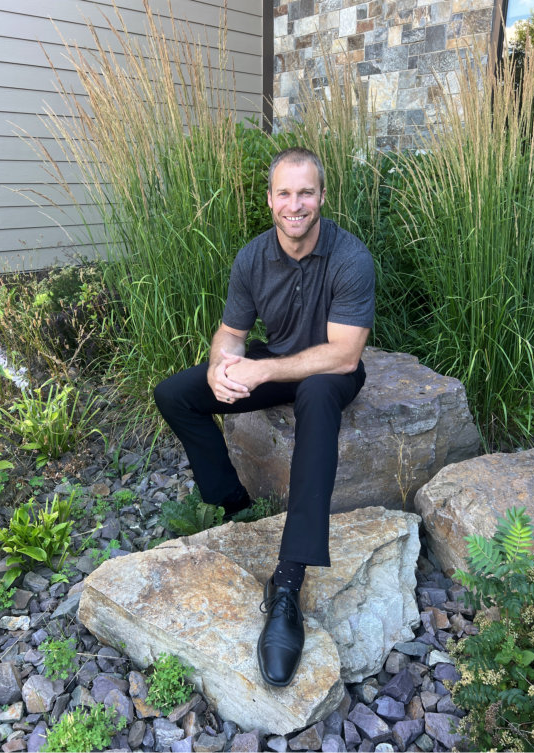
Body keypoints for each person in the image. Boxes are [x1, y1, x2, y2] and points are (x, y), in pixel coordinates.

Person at [154, 147, 375, 687]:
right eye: (284, 193)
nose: (294, 205)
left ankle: (287, 585)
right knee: (174, 393)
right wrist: (220, 367)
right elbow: (231, 333)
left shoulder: (350, 257)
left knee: (318, 395)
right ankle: (235, 506)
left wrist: (263, 372)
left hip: (330, 373)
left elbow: (345, 354)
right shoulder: (252, 257)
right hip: (275, 365)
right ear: (270, 199)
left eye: (305, 193)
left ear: (321, 196)